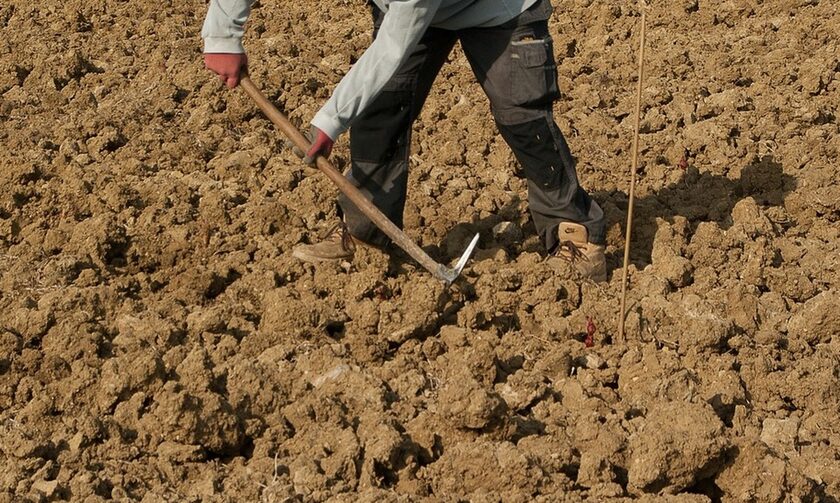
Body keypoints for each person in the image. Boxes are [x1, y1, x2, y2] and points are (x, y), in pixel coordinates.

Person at [202, 0, 607, 282]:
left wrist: (329, 121)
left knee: (522, 112)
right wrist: (222, 34)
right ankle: (366, 232)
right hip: (408, 9)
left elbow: (393, 46)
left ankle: (571, 227)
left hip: (500, 9)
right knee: (381, 109)